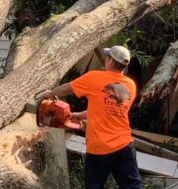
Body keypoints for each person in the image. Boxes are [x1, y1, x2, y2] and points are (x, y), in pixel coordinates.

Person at [40, 45, 142, 189]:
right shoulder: (131, 85)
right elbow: (109, 110)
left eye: (107, 57)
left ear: (111, 61)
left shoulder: (95, 77)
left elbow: (68, 88)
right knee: (133, 186)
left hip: (99, 148)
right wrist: (77, 115)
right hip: (124, 146)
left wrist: (50, 93)